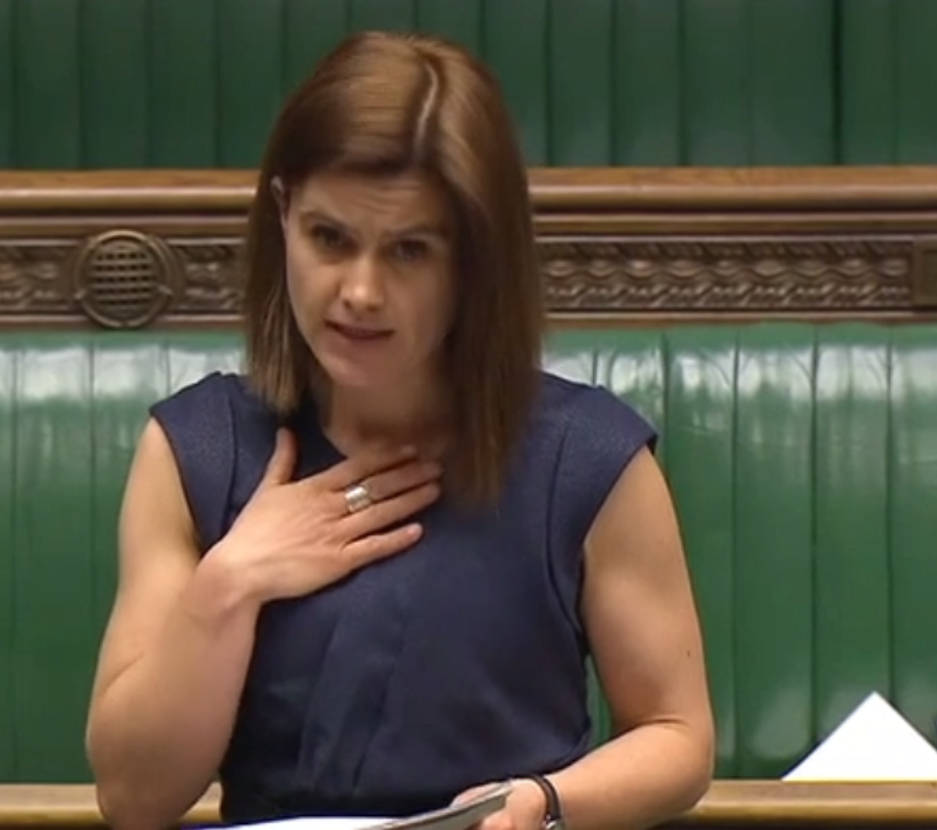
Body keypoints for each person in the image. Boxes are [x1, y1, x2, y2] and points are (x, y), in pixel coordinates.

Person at [84, 30, 714, 830]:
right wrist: (230, 582)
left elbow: (676, 734)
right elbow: (134, 799)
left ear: (474, 262)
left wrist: (546, 801)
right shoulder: (196, 450)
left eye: (409, 251)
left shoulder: (587, 458)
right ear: (283, 216)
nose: (360, 291)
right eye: (329, 238)